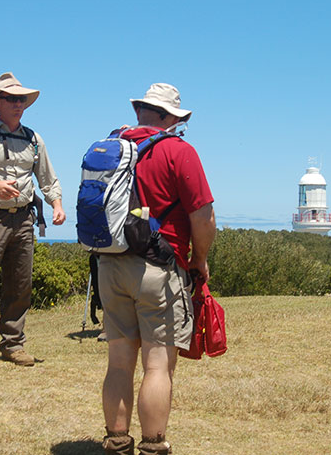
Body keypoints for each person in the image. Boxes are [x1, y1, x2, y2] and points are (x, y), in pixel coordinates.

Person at [99, 83, 216, 455]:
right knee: (156, 367)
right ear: (169, 118)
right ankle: (152, 446)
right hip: (158, 267)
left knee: (118, 364)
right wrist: (199, 259)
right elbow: (204, 216)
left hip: (109, 264)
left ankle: (117, 441)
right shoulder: (177, 151)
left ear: (140, 112)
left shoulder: (111, 147)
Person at [0, 72, 65, 368]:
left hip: (23, 218)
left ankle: (13, 344)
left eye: (22, 100)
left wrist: (57, 204)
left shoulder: (33, 138)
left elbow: (47, 176)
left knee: (20, 284)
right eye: (12, 99)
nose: (18, 104)